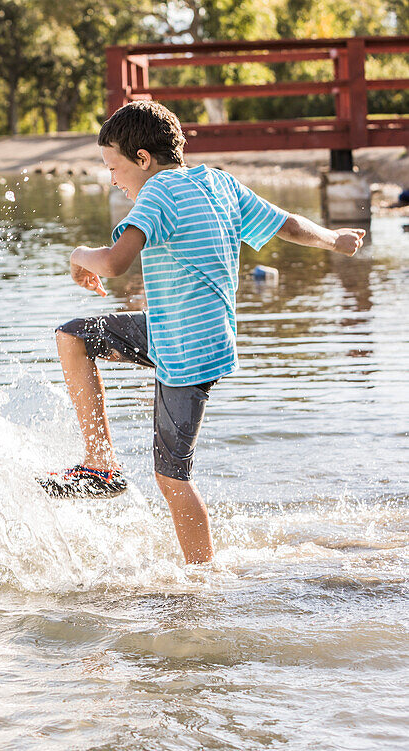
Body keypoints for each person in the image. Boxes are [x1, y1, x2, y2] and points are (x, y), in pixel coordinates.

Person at [43, 101, 365, 564]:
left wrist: (77, 253)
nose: (112, 179)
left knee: (173, 478)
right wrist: (333, 239)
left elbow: (114, 263)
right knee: (74, 335)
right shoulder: (219, 182)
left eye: (113, 167)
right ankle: (101, 465)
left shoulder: (156, 193)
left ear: (142, 159)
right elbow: (286, 224)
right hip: (186, 334)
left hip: (185, 350)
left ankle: (201, 582)